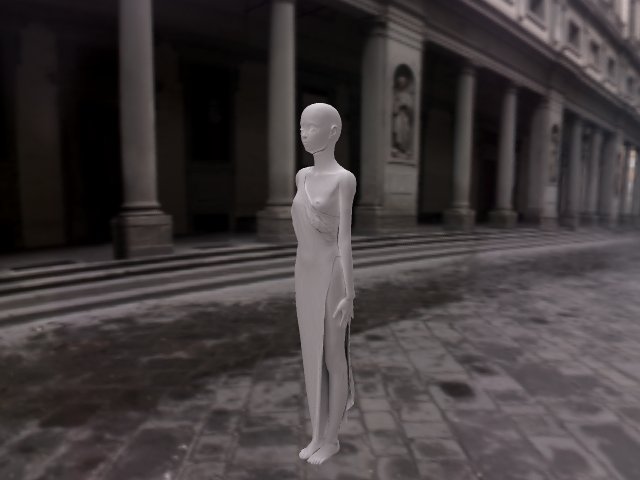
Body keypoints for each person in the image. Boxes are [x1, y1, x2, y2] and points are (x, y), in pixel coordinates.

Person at [291, 103, 357, 465]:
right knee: (311, 356)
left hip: (331, 273)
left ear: (333, 132)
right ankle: (317, 433)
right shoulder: (301, 176)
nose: (303, 133)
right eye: (301, 126)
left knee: (333, 356)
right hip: (304, 273)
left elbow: (345, 238)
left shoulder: (344, 179)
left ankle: (331, 439)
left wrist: (350, 293)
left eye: (311, 127)